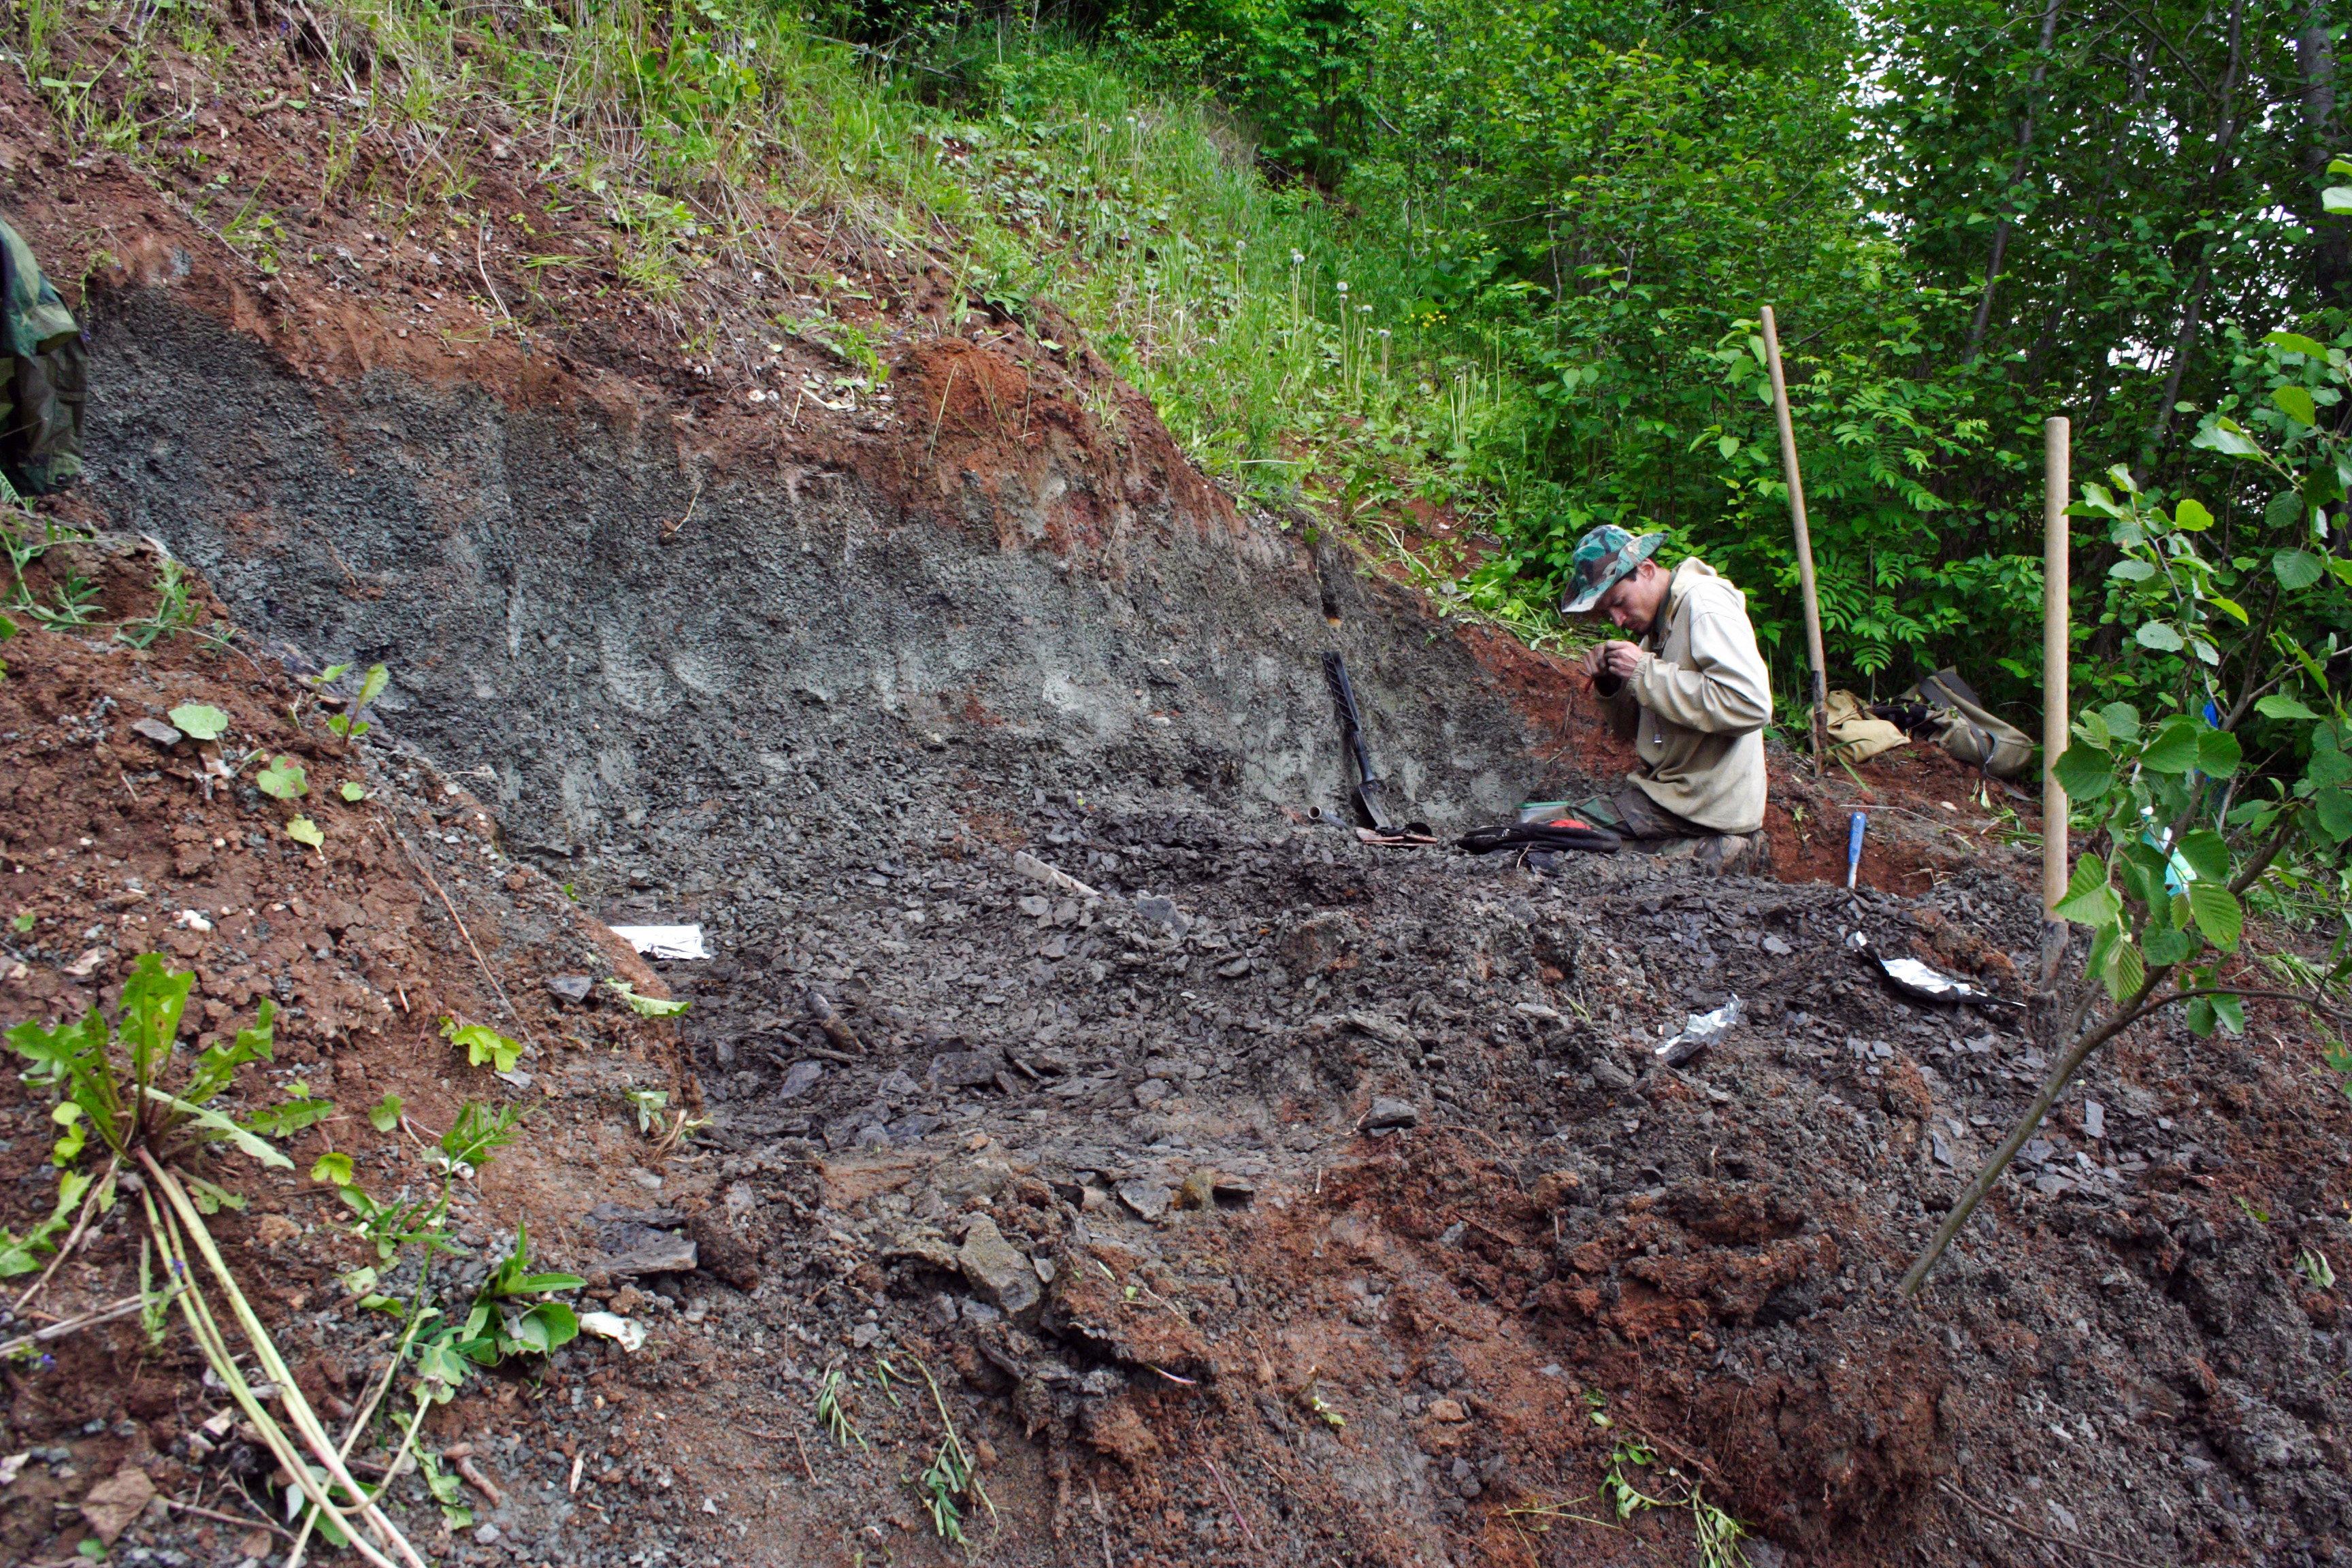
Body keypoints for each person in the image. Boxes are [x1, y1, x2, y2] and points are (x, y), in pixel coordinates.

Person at [1560, 525, 1771, 872]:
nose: (1618, 621)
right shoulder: (1660, 627)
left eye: (1618, 603)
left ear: (1646, 569)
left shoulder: (1704, 604)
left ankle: (1712, 850)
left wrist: (1645, 672)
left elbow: (1751, 704)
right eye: (1606, 613)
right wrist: (1612, 684)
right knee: (1563, 835)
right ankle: (1699, 853)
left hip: (1700, 806)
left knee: (1554, 833)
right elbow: (1637, 730)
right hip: (1677, 801)